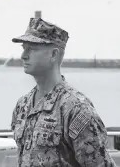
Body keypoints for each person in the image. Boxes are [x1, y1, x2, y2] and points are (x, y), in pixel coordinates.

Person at [10, 17, 117, 167]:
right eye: (23, 48)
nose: (23, 56)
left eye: (31, 49)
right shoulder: (23, 105)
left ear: (53, 55)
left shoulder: (76, 109)